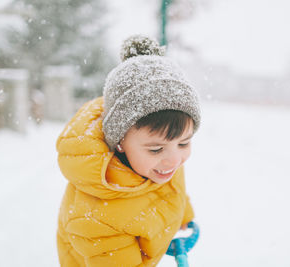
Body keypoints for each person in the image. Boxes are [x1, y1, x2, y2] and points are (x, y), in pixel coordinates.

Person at [56, 35, 201, 267]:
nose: (174, 159)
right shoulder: (97, 218)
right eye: (156, 149)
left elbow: (173, 190)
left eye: (184, 143)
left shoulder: (158, 163)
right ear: (119, 141)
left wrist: (184, 214)